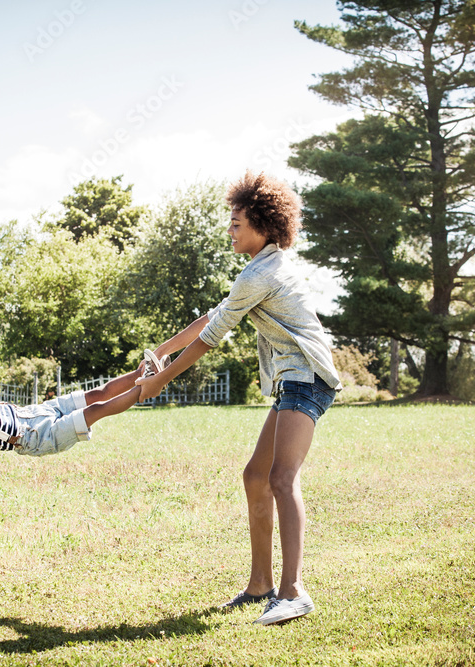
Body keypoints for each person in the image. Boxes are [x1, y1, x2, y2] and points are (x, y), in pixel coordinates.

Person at [135, 171, 341, 626]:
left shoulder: (262, 273)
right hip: (294, 380)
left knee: (283, 478)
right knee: (255, 476)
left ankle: (293, 592)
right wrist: (163, 350)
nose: (230, 231)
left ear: (263, 227)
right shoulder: (259, 270)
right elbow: (216, 315)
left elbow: (212, 336)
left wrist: (159, 380)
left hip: (307, 379)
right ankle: (260, 585)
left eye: (236, 224)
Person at [0, 366, 149, 470]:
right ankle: (145, 389)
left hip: (37, 412)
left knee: (97, 394)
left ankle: (141, 373)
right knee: (96, 411)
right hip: (38, 438)